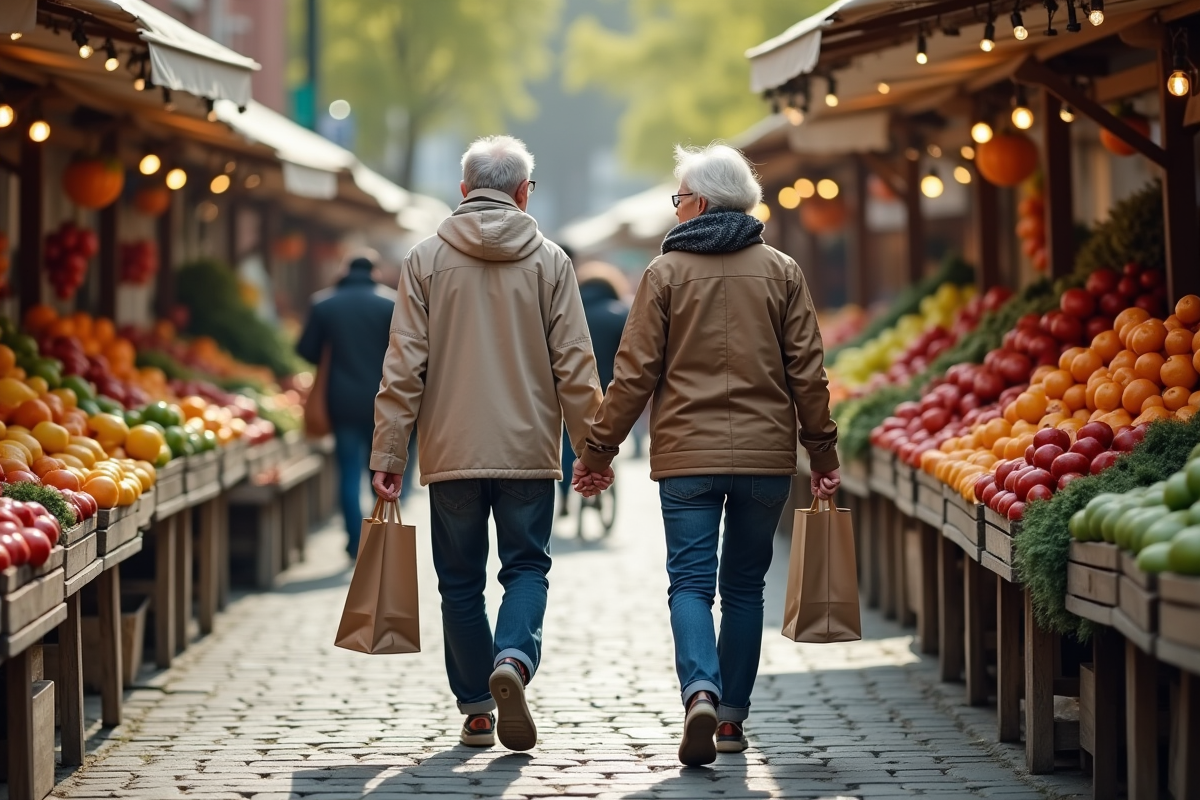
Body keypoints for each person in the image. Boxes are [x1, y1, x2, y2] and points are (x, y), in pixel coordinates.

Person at [573, 143, 840, 767]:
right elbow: (808, 371)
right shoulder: (781, 270)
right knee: (746, 586)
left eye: (678, 197)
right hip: (765, 459)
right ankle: (729, 722)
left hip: (686, 459)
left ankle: (699, 689)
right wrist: (822, 454)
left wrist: (597, 449)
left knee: (690, 584)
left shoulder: (664, 275)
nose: (674, 208)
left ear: (700, 202)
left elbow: (633, 374)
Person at [370, 135, 607, 752]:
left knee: (459, 582)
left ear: (464, 189)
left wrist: (389, 453)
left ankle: (476, 708)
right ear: (525, 191)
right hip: (530, 448)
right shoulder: (551, 261)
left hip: (450, 451)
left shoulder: (424, 260)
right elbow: (576, 367)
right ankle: (513, 660)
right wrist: (593, 451)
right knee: (527, 567)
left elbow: (402, 368)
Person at [296, 253, 397, 558]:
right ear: (375, 273)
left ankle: (355, 541)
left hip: (339, 401)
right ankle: (378, 540)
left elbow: (306, 351)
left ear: (344, 271)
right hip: (383, 401)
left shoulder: (324, 304)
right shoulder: (391, 304)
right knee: (379, 471)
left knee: (349, 470)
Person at [558, 262, 630, 510]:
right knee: (605, 441)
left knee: (569, 441)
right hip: (612, 393)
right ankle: (600, 472)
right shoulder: (621, 314)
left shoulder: (570, 315)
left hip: (572, 391)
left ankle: (566, 493)